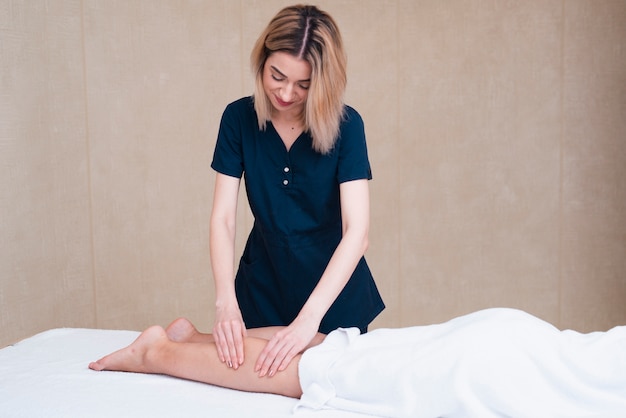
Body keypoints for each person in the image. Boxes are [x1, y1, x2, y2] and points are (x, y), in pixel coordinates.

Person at [209, 3, 384, 378]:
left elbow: (358, 233)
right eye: (277, 76)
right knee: (246, 390)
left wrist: (309, 320)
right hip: (261, 289)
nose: (286, 93)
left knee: (328, 393)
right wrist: (225, 300)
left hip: (333, 300)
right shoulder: (238, 119)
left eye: (303, 85)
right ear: (262, 61)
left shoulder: (347, 126)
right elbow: (223, 219)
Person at [89, 308, 626, 417]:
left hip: (517, 340)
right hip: (494, 372)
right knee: (315, 372)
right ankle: (156, 350)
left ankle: (192, 339)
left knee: (339, 352)